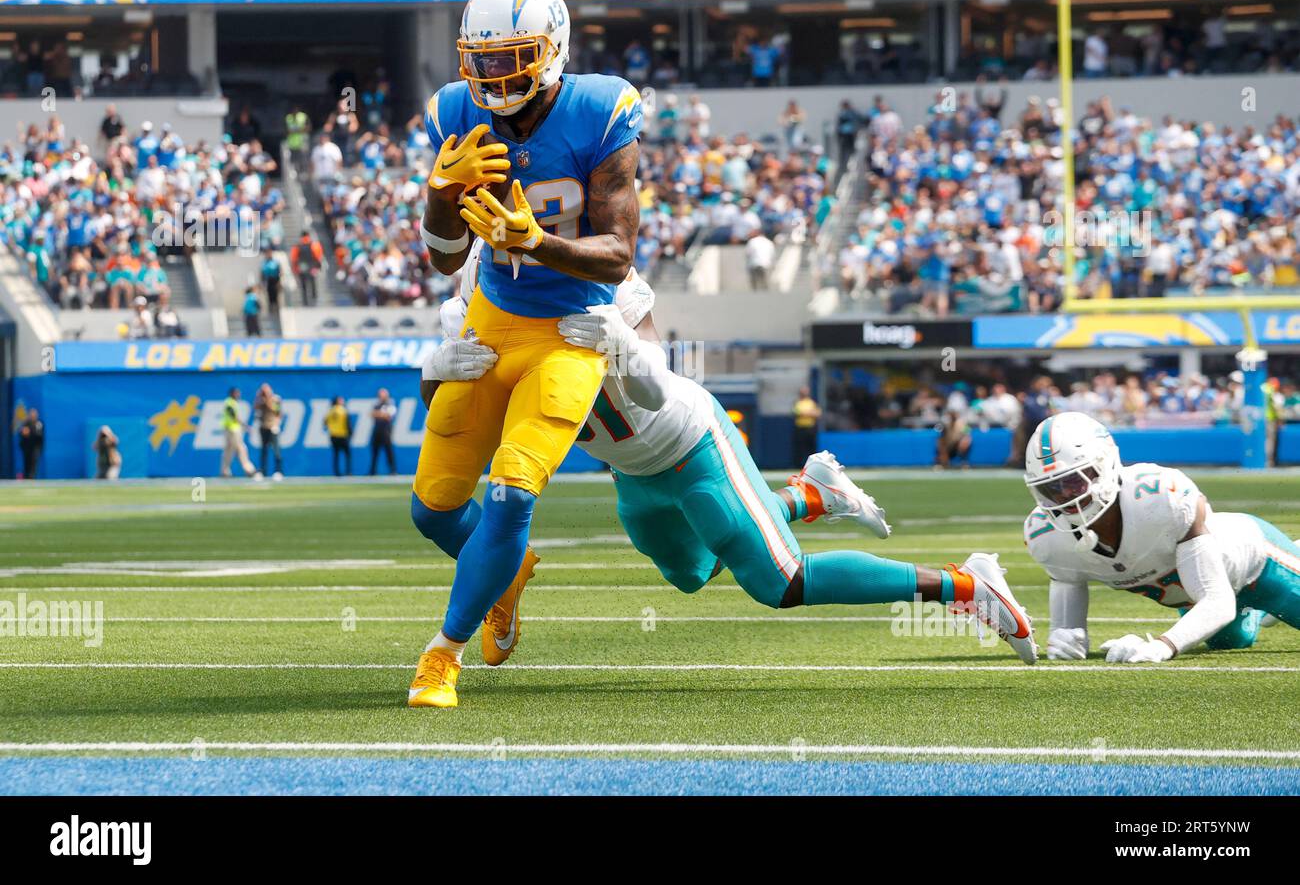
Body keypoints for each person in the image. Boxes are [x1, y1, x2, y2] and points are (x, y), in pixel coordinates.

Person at [425, 252, 1038, 669]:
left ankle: (965, 585)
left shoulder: (599, 271)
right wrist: (434, 372)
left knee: (781, 582)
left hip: (689, 443)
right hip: (629, 472)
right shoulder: (473, 296)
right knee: (690, 574)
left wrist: (625, 350)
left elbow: (658, 390)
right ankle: (809, 496)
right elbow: (457, 414)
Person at [408, 0, 643, 709]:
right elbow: (446, 260)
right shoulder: (453, 110)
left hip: (571, 328)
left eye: (510, 57)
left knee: (511, 490)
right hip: (491, 320)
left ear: (551, 51)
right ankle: (505, 573)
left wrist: (535, 241)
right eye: (480, 59)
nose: (490, 76)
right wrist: (438, 196)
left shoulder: (599, 109)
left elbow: (618, 256)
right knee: (433, 508)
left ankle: (440, 657)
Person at [1024, 412, 1300, 663]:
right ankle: (1263, 613)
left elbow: (1217, 601)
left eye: (1074, 482)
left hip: (1257, 563)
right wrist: (1066, 638)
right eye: (1051, 489)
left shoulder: (1160, 496)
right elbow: (1068, 621)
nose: (1065, 497)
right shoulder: (1046, 536)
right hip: (1196, 596)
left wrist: (1161, 645)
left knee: (1241, 606)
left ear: (1104, 466)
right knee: (1232, 641)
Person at [220, 387, 260, 479]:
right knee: (241, 449)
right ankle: (249, 470)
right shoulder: (230, 403)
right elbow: (234, 416)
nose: (238, 395)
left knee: (228, 451)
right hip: (232, 430)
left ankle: (225, 472)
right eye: (237, 393)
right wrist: (245, 426)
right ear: (232, 393)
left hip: (229, 429)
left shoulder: (230, 402)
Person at [254, 383, 284, 480]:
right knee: (264, 450)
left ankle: (279, 471)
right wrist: (258, 397)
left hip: (273, 427)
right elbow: (255, 407)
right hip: (263, 427)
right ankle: (263, 472)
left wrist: (267, 398)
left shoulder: (276, 399)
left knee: (276, 450)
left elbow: (276, 410)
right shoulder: (261, 400)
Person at [291, 231, 324, 307]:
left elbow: (294, 258)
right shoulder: (314, 244)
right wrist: (319, 266)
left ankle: (305, 300)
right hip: (312, 266)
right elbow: (318, 255)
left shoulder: (297, 246)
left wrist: (295, 268)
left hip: (302, 266)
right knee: (313, 281)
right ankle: (314, 297)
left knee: (303, 284)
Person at [792, 386, 821, 467]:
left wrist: (806, 413)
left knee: (811, 448)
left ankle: (812, 465)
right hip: (800, 428)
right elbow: (797, 413)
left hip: (810, 428)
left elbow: (817, 413)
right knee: (799, 448)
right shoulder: (797, 402)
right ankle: (798, 466)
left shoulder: (811, 402)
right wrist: (809, 413)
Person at [369, 388, 396, 475]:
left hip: (386, 432)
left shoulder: (390, 405)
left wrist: (378, 414)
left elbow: (388, 415)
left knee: (389, 452)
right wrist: (381, 414)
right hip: (377, 431)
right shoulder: (377, 405)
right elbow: (371, 414)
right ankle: (372, 471)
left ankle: (393, 470)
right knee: (374, 452)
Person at [325, 396, 352, 476]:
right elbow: (348, 423)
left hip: (333, 435)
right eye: (341, 400)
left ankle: (337, 473)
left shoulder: (330, 411)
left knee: (336, 455)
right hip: (343, 435)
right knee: (347, 454)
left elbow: (325, 422)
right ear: (338, 401)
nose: (343, 401)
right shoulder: (343, 410)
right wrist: (350, 433)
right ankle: (348, 472)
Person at [18, 409, 44, 480]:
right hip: (26, 448)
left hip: (35, 448)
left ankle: (31, 478)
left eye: (34, 414)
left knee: (33, 464)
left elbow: (39, 436)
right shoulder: (26, 423)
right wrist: (23, 432)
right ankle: (26, 478)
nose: (33, 416)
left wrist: (30, 431)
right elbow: (20, 432)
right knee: (27, 463)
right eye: (31, 414)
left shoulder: (39, 423)